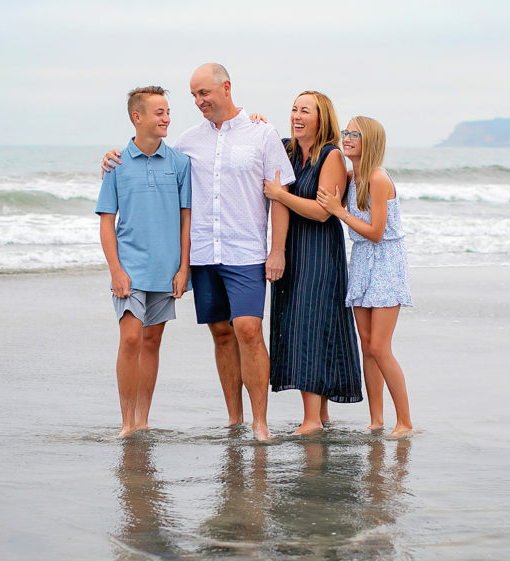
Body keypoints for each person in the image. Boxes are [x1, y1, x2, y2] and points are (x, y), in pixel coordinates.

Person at [102, 64, 295, 441]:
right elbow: (149, 155)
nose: (198, 102)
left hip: (246, 251)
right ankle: (234, 420)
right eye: (193, 96)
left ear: (226, 87)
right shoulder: (187, 142)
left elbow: (279, 195)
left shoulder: (262, 133)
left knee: (249, 330)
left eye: (203, 93)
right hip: (205, 254)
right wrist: (113, 155)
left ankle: (260, 423)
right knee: (221, 334)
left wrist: (278, 250)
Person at [262, 91, 361, 435]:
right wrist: (256, 123)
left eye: (306, 110)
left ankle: (312, 420)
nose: (297, 115)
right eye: (293, 109)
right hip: (293, 246)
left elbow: (322, 213)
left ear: (322, 119)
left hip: (319, 249)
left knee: (311, 324)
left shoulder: (331, 156)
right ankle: (320, 415)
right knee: (297, 323)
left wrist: (280, 195)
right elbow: (260, 141)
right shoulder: (288, 150)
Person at [96, 86, 191, 438]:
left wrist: (184, 268)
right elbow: (106, 221)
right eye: (159, 112)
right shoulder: (116, 164)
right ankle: (125, 421)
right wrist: (116, 270)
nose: (166, 118)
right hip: (130, 269)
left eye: (168, 112)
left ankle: (143, 419)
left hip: (166, 270)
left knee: (152, 342)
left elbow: (186, 219)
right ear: (137, 117)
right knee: (132, 339)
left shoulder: (180, 163)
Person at [316, 116, 414, 437]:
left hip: (385, 262)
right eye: (345, 132)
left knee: (381, 346)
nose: (347, 138)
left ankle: (405, 422)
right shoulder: (351, 176)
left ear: (368, 140)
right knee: (366, 346)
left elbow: (375, 232)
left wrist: (339, 210)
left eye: (354, 134)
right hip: (360, 262)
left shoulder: (377, 178)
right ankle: (376, 420)